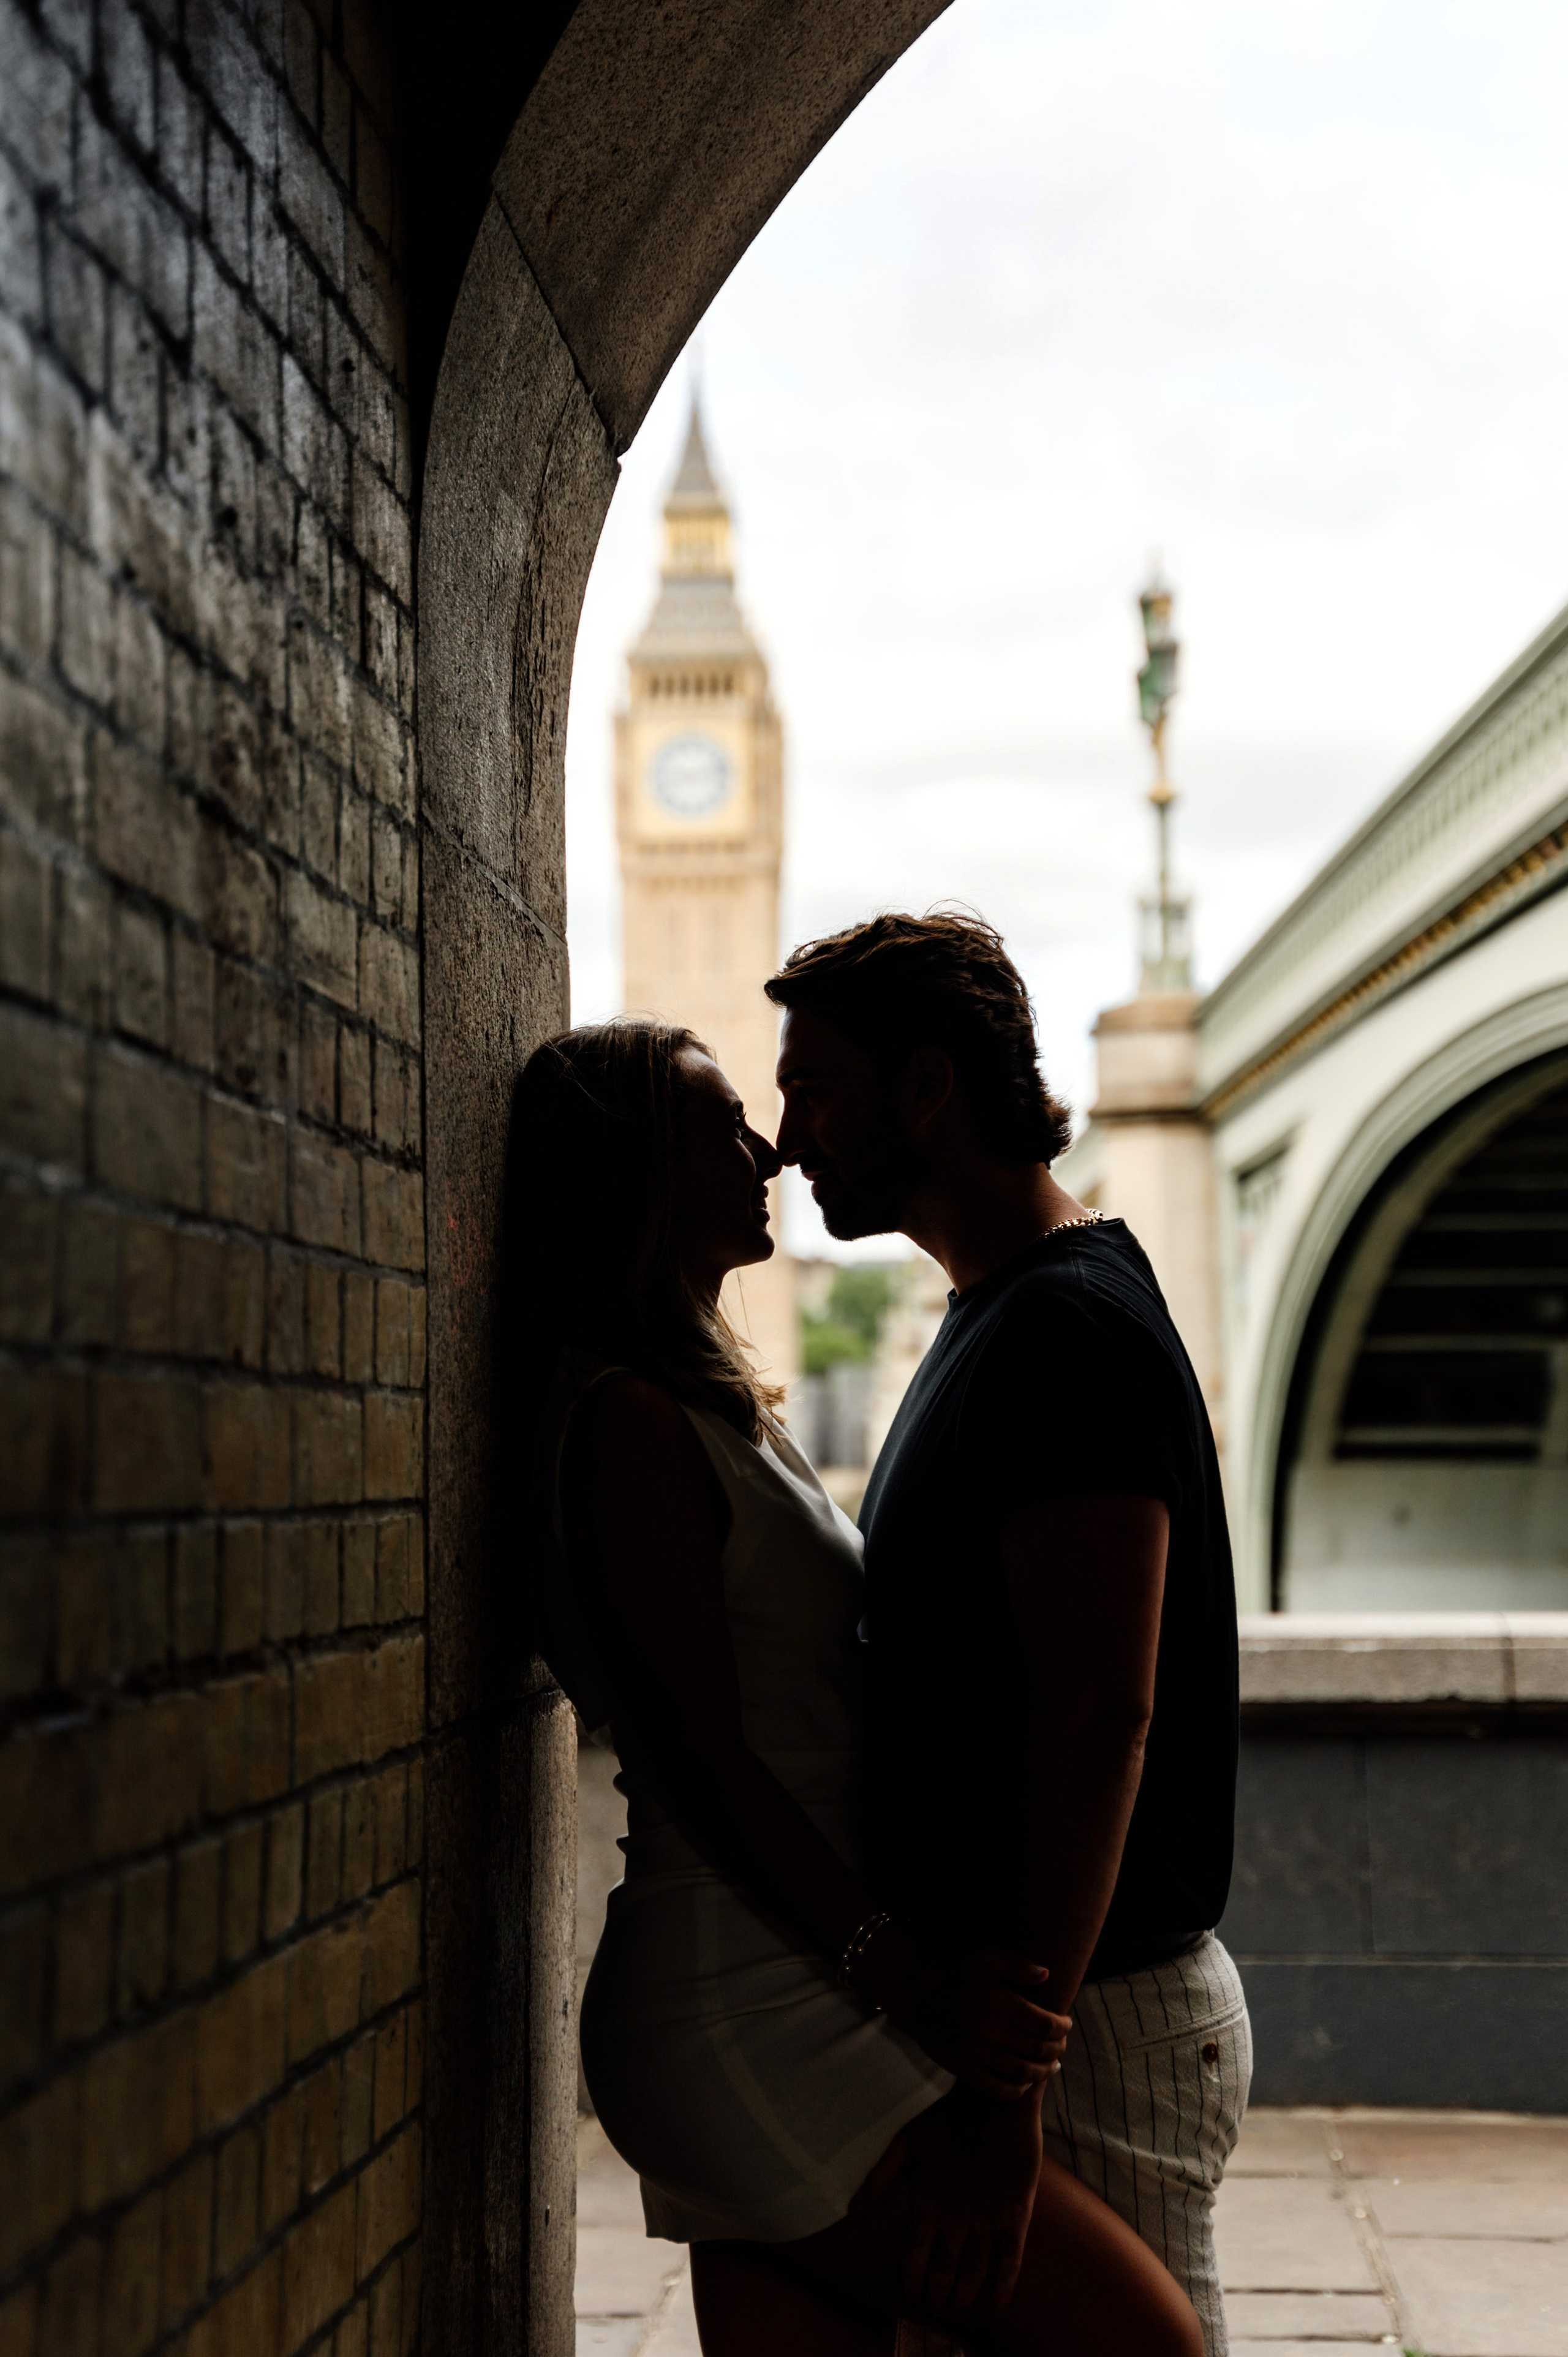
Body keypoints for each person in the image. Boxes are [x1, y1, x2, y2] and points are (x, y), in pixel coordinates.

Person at [510, 1017, 1205, 2356]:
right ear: (636, 1175)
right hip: (751, 2001)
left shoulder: (696, 1403)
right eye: (719, 1124)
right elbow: (697, 1763)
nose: (765, 1144)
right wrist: (911, 1984)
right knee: (1146, 2343)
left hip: (782, 1988)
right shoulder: (627, 1426)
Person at [766, 912, 1250, 2357]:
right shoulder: (1002, 1310)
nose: (790, 1141)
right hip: (1042, 2019)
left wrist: (1003, 2093)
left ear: (926, 1087)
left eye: (815, 1091)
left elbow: (1097, 1713)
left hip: (1077, 2034)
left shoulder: (1061, 1332)